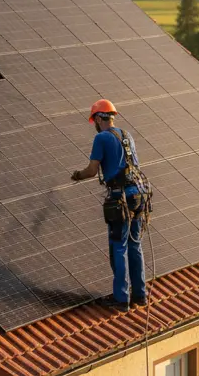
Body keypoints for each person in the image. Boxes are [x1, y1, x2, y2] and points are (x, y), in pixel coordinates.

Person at [71, 99, 148, 312]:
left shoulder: (101, 138)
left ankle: (121, 299)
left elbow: (92, 170)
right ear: (112, 116)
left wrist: (77, 176)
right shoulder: (127, 135)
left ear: (97, 118)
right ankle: (140, 296)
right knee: (135, 244)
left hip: (120, 197)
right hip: (139, 194)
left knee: (119, 246)